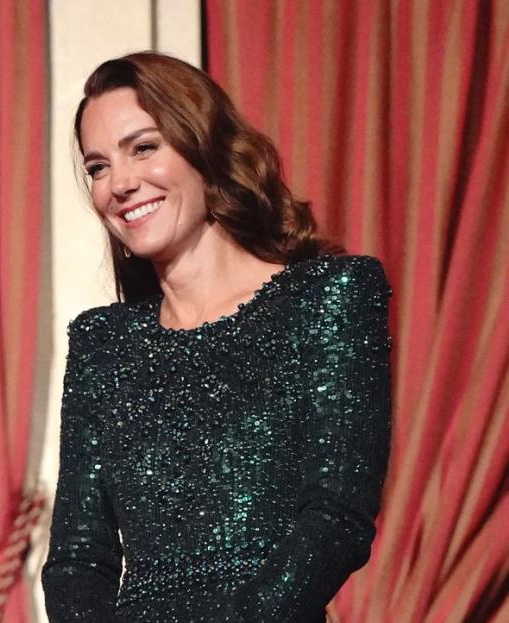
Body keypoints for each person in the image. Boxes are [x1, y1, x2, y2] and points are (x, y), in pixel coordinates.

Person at [41, 52, 391, 622]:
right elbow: (79, 559)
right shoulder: (102, 343)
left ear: (203, 147)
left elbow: (337, 513)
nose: (120, 183)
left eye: (144, 147)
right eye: (98, 166)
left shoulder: (331, 295)